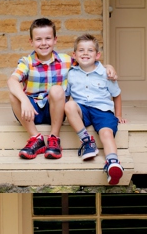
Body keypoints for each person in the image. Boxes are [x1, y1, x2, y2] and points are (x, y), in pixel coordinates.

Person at [8, 17, 116, 160]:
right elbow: (12, 80)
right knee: (13, 94)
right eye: (38, 39)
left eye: (48, 38)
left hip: (56, 110)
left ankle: (54, 138)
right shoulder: (27, 62)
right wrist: (24, 100)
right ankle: (36, 138)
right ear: (31, 41)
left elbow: (90, 62)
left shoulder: (66, 60)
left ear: (55, 40)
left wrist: (108, 67)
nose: (44, 43)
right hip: (31, 112)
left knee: (57, 90)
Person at [64, 34, 126, 185]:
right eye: (81, 50)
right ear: (74, 55)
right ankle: (87, 141)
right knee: (69, 105)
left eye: (90, 50)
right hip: (82, 110)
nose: (85, 53)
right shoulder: (71, 74)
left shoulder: (106, 73)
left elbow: (116, 95)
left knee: (106, 133)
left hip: (102, 110)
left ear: (97, 55)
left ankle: (112, 163)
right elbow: (65, 97)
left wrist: (118, 115)